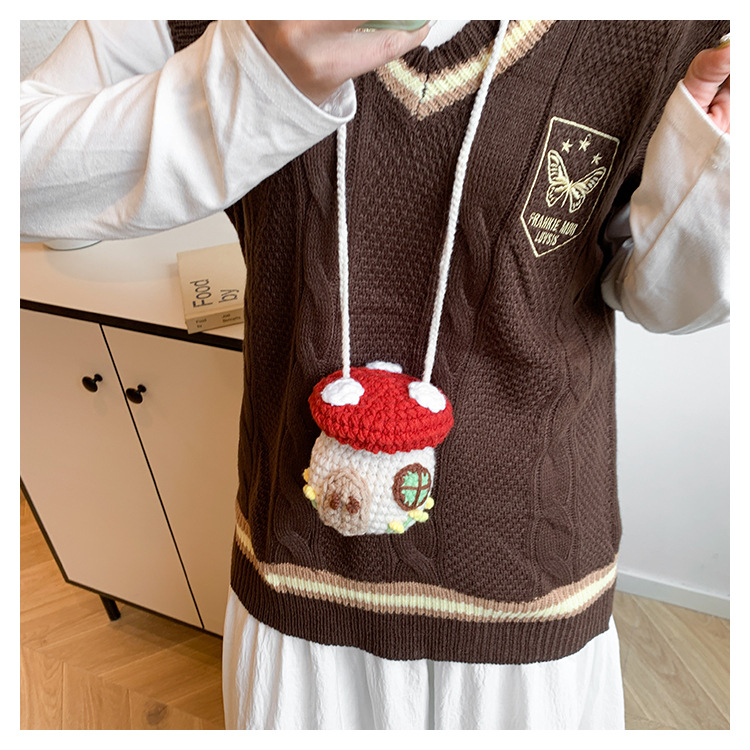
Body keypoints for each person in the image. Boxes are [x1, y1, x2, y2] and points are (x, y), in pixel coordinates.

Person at [20, 20, 729, 730]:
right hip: (301, 579)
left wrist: (713, 181)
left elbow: (662, 296)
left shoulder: (675, 31)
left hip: (530, 592)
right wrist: (250, 81)